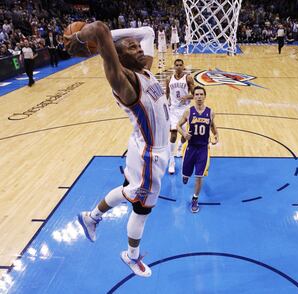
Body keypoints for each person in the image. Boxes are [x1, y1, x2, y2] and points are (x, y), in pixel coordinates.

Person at [64, 22, 169, 277]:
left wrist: (109, 42)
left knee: (129, 190)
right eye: (131, 47)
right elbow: (99, 28)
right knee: (142, 209)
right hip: (150, 155)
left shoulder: (144, 70)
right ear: (119, 57)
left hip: (141, 144)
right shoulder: (125, 82)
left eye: (137, 46)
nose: (139, 48)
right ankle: (131, 257)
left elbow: (148, 32)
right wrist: (83, 40)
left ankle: (91, 217)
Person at [177, 86, 219, 213]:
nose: (199, 97)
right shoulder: (188, 112)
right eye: (197, 94)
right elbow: (178, 125)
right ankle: (185, 175)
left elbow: (213, 127)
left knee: (199, 176)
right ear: (194, 97)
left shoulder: (210, 112)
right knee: (185, 174)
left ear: (205, 96)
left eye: (201, 94)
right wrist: (184, 134)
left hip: (203, 149)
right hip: (190, 147)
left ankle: (195, 199)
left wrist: (216, 135)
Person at [166, 58, 195, 174]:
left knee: (185, 135)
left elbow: (194, 94)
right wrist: (166, 104)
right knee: (173, 134)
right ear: (174, 66)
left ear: (183, 67)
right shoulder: (169, 79)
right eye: (176, 65)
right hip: (173, 110)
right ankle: (171, 161)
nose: (178, 67)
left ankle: (180, 145)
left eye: (180, 65)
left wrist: (186, 97)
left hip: (185, 110)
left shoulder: (188, 78)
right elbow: (167, 93)